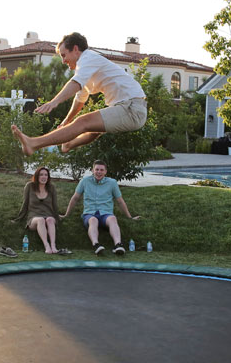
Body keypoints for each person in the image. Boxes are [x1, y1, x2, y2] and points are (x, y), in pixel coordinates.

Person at [11, 32, 147, 156]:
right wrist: (67, 121)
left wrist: (54, 102)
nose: (63, 61)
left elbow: (75, 83)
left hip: (132, 108)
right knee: (94, 128)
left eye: (64, 55)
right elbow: (80, 100)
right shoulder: (87, 69)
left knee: (84, 122)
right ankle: (68, 145)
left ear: (75, 49)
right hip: (128, 107)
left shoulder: (87, 58)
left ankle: (33, 144)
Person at [62, 160, 140, 255]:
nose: (99, 172)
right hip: (89, 214)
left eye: (101, 170)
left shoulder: (112, 183)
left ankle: (118, 245)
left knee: (112, 218)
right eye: (97, 169)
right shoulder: (85, 181)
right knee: (93, 220)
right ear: (92, 170)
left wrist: (130, 217)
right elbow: (75, 198)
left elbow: (120, 201)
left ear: (105, 171)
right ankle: (96, 245)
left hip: (105, 214)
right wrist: (66, 215)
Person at [13, 167, 70, 255]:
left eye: (46, 175)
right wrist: (18, 219)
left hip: (49, 215)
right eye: (41, 175)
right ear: (37, 176)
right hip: (34, 217)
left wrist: (57, 218)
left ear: (48, 177)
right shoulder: (29, 186)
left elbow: (55, 205)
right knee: (41, 220)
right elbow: (25, 204)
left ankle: (53, 246)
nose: (44, 177)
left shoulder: (51, 188)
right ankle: (46, 246)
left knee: (50, 219)